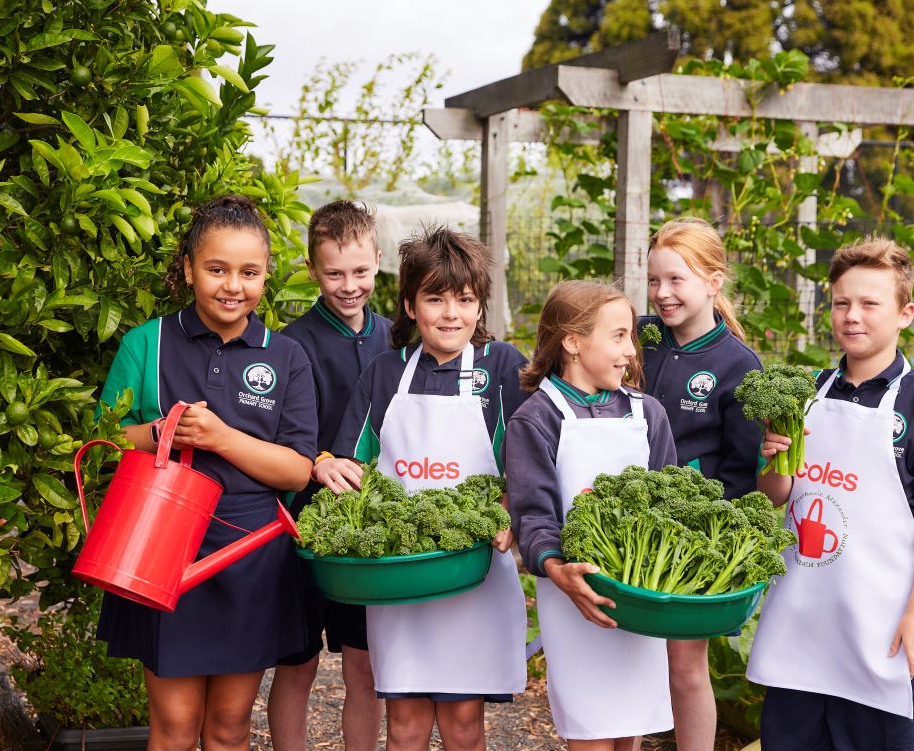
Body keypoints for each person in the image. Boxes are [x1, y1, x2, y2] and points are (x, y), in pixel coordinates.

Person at [95, 195, 320, 751]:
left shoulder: (287, 356)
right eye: (216, 269)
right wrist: (163, 431)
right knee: (172, 727)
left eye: (249, 272)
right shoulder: (146, 343)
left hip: (249, 550)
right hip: (159, 542)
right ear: (189, 268)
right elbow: (101, 443)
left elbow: (295, 471)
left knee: (229, 726)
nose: (232, 286)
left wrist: (221, 437)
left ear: (267, 275)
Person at [746, 236, 914, 751]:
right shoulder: (807, 391)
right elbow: (775, 495)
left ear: (905, 313)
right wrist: (773, 459)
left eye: (869, 304)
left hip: (882, 627)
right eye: (841, 303)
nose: (852, 316)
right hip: (803, 621)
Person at [329, 226, 528, 751]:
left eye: (464, 300)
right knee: (406, 725)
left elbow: (531, 461)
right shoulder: (384, 373)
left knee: (464, 724)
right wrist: (340, 490)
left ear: (480, 306)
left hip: (474, 571)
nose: (450, 314)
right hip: (400, 579)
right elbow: (354, 463)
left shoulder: (503, 366)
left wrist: (509, 507)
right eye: (435, 299)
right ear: (411, 305)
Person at [505, 280, 675, 751]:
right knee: (592, 734)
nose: (630, 352)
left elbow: (672, 501)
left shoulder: (649, 414)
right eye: (618, 336)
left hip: (641, 595)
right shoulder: (536, 419)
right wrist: (558, 569)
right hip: (573, 596)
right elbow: (533, 516)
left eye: (631, 338)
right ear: (573, 342)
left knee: (629, 733)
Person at [267, 201, 389, 751]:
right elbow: (275, 431)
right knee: (298, 665)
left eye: (360, 272)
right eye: (335, 273)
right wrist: (318, 460)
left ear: (379, 263)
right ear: (313, 270)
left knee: (364, 670)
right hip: (304, 522)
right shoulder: (291, 344)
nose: (348, 286)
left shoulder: (399, 337)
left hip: (370, 531)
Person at [642, 218, 764, 750]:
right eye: (653, 281)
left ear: (714, 282)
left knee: (684, 667)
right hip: (627, 527)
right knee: (626, 662)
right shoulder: (637, 337)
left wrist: (707, 538)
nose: (662, 294)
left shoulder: (737, 364)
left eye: (677, 280)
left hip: (692, 541)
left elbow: (741, 475)